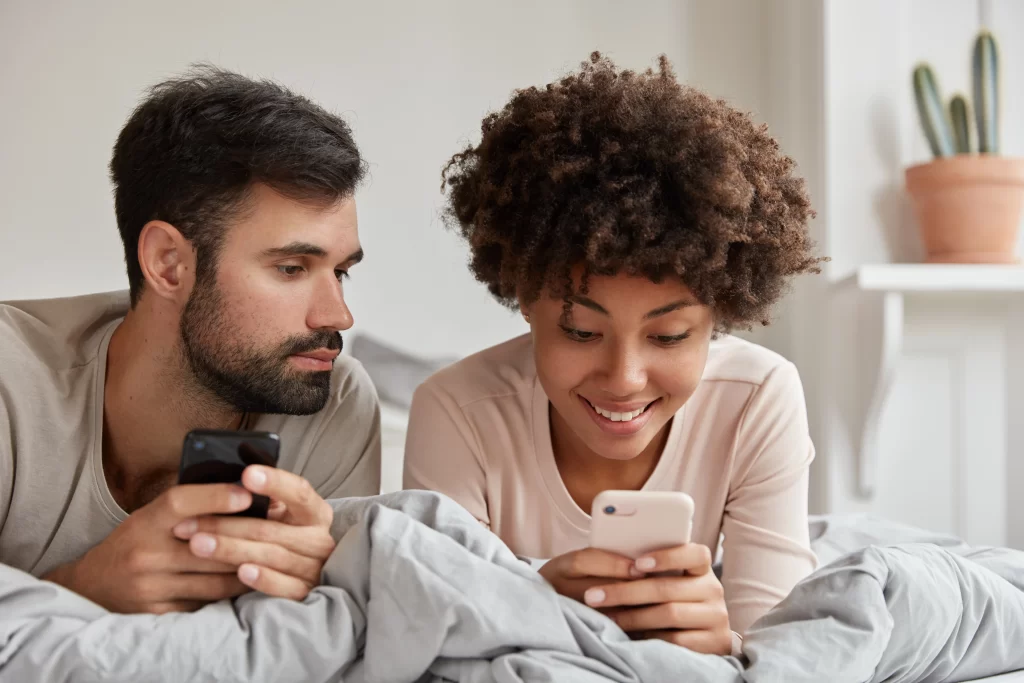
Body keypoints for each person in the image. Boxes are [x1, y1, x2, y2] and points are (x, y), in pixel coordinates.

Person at [403, 52, 825, 655]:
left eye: (670, 336)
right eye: (579, 331)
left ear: (720, 316)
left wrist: (725, 643)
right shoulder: (457, 410)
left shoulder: (758, 398)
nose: (624, 380)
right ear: (524, 299)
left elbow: (782, 652)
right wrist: (534, 598)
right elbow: (427, 633)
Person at [0, 65, 382, 614]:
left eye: (341, 272)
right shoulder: (12, 386)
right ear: (169, 264)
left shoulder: (333, 401)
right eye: (293, 268)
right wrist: (81, 591)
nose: (338, 316)